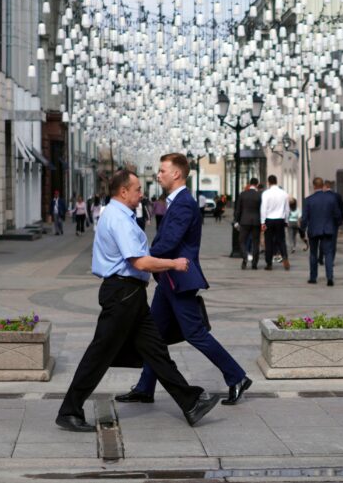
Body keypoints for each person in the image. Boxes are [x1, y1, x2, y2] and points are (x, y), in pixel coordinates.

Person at [56, 169, 220, 432]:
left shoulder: (118, 214)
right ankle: (69, 410)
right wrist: (173, 264)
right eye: (137, 189)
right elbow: (139, 261)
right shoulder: (119, 218)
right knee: (99, 354)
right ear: (123, 192)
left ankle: (190, 402)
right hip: (122, 294)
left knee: (156, 351)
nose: (142, 193)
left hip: (130, 294)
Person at [116, 154, 251, 408]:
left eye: (162, 170)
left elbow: (169, 243)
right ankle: (145, 387)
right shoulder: (176, 202)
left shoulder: (184, 203)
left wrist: (139, 256)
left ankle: (236, 376)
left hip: (179, 279)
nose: (158, 175)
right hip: (168, 280)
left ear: (176, 174)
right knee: (153, 336)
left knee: (195, 333)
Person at [301, 177, 342, 286]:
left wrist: (302, 230)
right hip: (328, 229)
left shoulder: (309, 200)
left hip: (314, 230)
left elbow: (304, 218)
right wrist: (337, 225)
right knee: (328, 253)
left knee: (313, 253)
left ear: (314, 186)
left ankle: (313, 277)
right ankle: (330, 277)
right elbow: (337, 214)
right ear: (322, 185)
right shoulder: (331, 198)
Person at [260, 175, 290, 271]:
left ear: (268, 182)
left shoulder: (266, 193)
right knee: (281, 240)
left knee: (268, 242)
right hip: (280, 219)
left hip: (269, 219)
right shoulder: (284, 193)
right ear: (276, 181)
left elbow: (263, 208)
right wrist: (286, 220)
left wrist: (262, 222)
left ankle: (269, 263)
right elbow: (287, 209)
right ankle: (284, 256)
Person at [234, 178, 262, 270]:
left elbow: (238, 209)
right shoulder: (259, 195)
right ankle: (254, 263)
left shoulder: (243, 194)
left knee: (242, 240)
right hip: (256, 221)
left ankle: (245, 257)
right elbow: (262, 209)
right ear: (257, 184)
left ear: (249, 184)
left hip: (244, 221)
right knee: (256, 242)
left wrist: (236, 221)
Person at [319, 180, 343, 265]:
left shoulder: (321, 196)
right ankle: (331, 260)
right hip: (334, 222)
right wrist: (341, 220)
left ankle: (321, 257)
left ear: (325, 187)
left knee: (322, 240)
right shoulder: (337, 196)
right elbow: (342, 208)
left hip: (322, 222)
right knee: (333, 242)